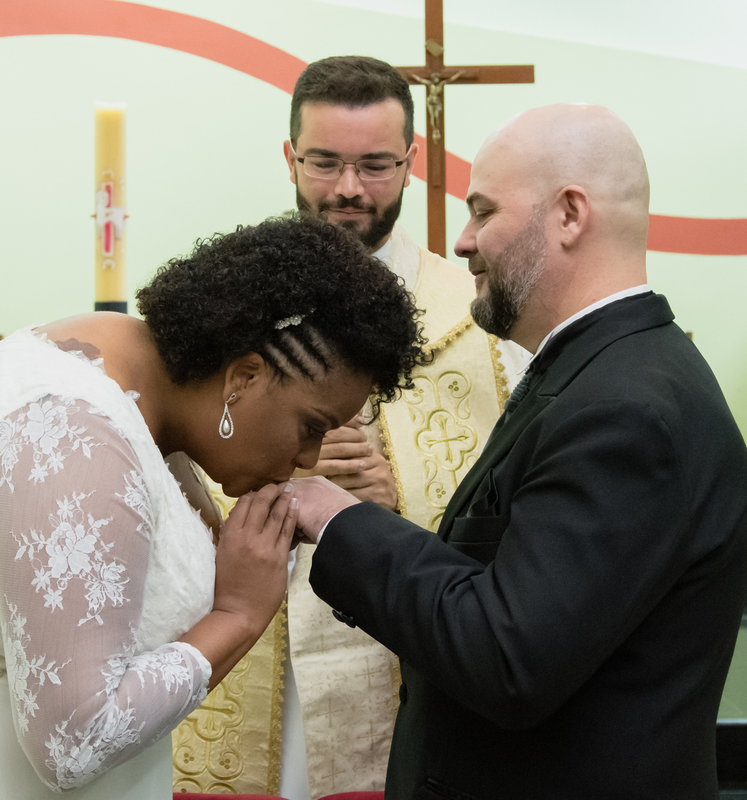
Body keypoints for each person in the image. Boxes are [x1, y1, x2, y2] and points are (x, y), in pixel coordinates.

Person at [0, 216, 425, 800]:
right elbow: (72, 739)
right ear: (243, 376)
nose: (310, 458)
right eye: (312, 425)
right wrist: (237, 615)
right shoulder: (77, 442)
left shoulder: (125, 360)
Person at [289, 104, 747, 799]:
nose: (464, 241)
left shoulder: (622, 412)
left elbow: (507, 658)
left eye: (483, 212)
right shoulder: (596, 372)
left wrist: (337, 521)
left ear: (569, 215)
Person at [174, 55, 526, 799]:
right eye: (325, 163)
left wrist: (401, 503)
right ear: (289, 156)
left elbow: (518, 511)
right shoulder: (219, 307)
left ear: (411, 161)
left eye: (374, 166)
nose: (347, 190)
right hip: (245, 652)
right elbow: (172, 461)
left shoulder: (480, 323)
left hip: (392, 658)